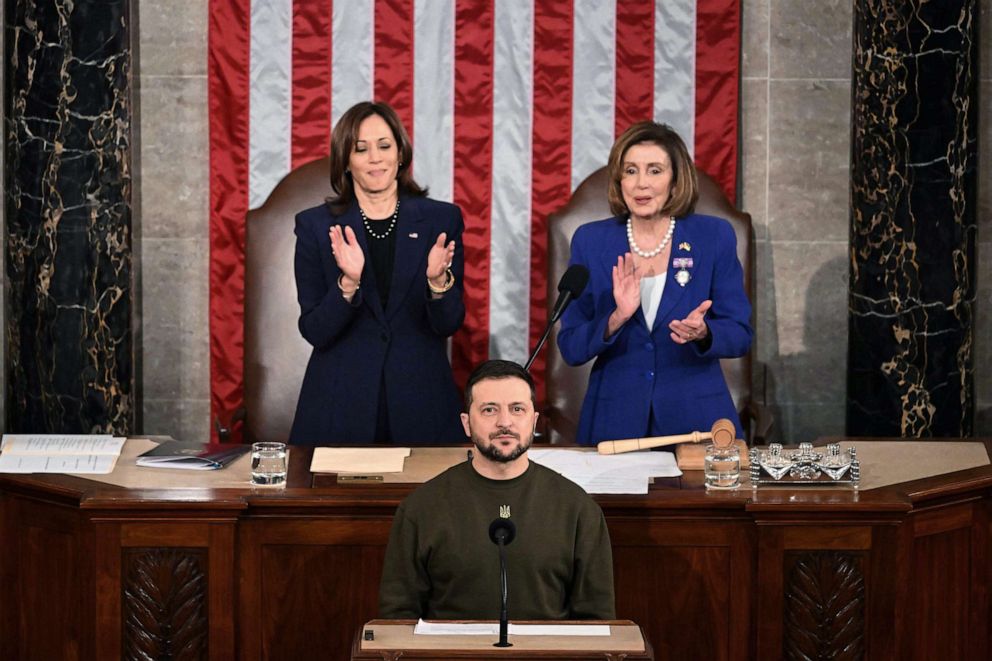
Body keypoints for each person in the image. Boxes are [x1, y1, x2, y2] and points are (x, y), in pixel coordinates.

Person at [557, 121, 753, 445]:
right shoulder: (591, 241)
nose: (641, 184)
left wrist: (705, 333)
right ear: (619, 180)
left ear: (675, 182)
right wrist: (616, 318)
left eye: (654, 170)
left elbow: (740, 335)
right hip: (614, 422)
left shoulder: (713, 237)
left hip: (696, 423)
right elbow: (572, 346)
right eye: (631, 170)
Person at [378, 360, 615, 620]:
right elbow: (397, 619)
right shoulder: (421, 508)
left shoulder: (578, 508)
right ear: (467, 423)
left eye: (517, 409)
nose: (505, 422)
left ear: (534, 421)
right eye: (490, 410)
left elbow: (597, 623)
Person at [289, 101, 465, 445]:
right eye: (361, 149)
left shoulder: (441, 221)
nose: (375, 158)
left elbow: (448, 324)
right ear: (346, 161)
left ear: (400, 154)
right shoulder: (314, 226)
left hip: (421, 402)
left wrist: (437, 283)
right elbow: (314, 330)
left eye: (385, 146)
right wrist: (347, 284)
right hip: (339, 406)